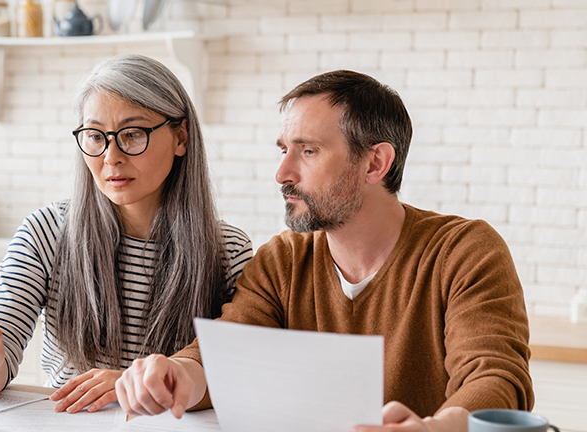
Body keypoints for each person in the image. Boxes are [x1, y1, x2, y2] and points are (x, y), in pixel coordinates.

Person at [114, 70, 533, 432]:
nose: (283, 173)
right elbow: (224, 355)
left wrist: (435, 427)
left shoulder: (464, 252)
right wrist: (176, 374)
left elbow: (497, 380)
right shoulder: (281, 260)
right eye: (284, 150)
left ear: (375, 163)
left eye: (308, 151)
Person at [0, 54, 252, 414]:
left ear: (180, 137)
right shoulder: (47, 231)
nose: (111, 157)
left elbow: (235, 375)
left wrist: (131, 386)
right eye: (95, 136)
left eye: (133, 135)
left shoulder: (228, 250)